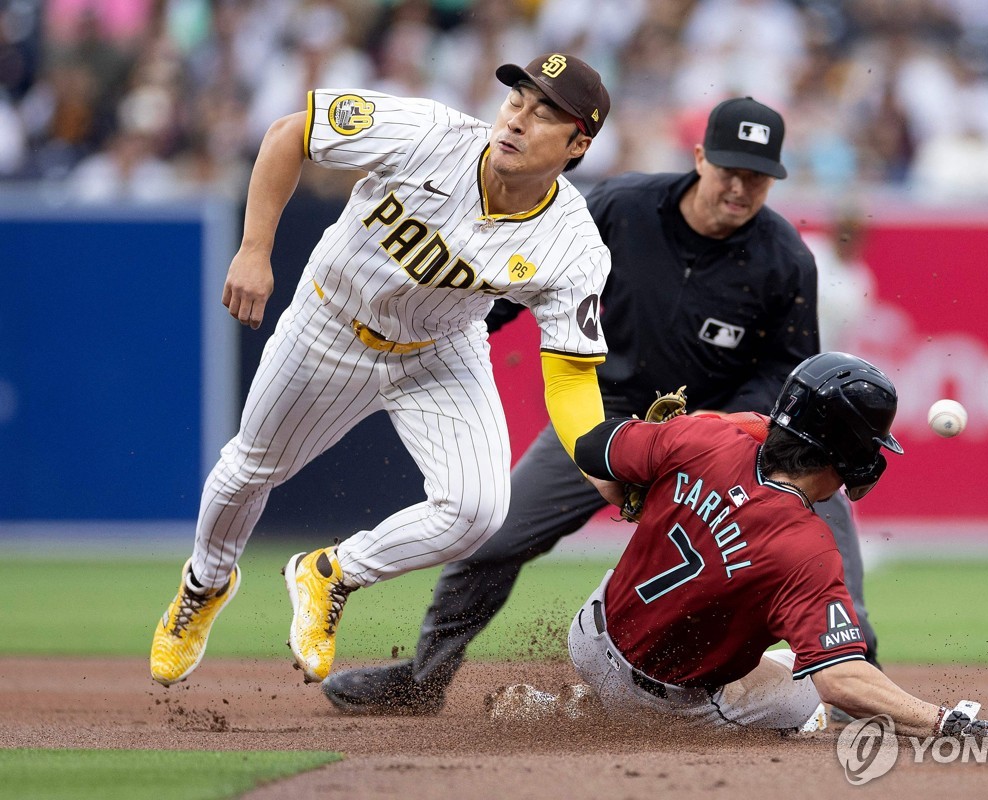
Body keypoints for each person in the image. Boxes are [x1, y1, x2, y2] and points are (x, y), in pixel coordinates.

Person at [322, 97, 883, 714]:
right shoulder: (623, 207)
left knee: (833, 551)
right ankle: (422, 681)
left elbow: (786, 375)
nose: (742, 186)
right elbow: (530, 275)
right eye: (730, 168)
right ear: (699, 157)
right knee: (495, 538)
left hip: (724, 437)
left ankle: (858, 698)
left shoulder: (784, 260)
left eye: (758, 176)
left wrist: (713, 427)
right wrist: (463, 322)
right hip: (603, 417)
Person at [149, 53, 613, 687]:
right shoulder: (430, 132)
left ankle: (331, 573)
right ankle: (204, 584)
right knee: (248, 470)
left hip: (441, 350)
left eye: (544, 115)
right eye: (516, 102)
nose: (517, 121)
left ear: (578, 142)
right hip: (330, 323)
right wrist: (254, 249)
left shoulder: (573, 244)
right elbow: (292, 133)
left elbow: (568, 375)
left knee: (477, 509)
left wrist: (598, 460)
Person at [559, 352, 988, 737]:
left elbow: (591, 447)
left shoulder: (702, 437)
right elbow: (842, 682)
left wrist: (646, 484)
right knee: (804, 696)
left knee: (776, 659)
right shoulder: (806, 547)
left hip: (589, 635)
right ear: (852, 454)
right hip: (660, 700)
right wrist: (949, 722)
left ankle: (567, 706)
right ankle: (621, 716)